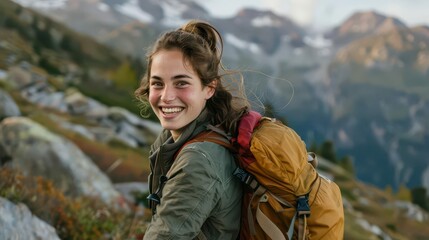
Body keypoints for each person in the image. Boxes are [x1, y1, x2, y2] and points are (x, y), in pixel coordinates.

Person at [135, 20, 250, 239]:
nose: (166, 96)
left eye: (181, 83)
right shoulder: (185, 135)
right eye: (157, 83)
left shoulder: (198, 160)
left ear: (209, 88)